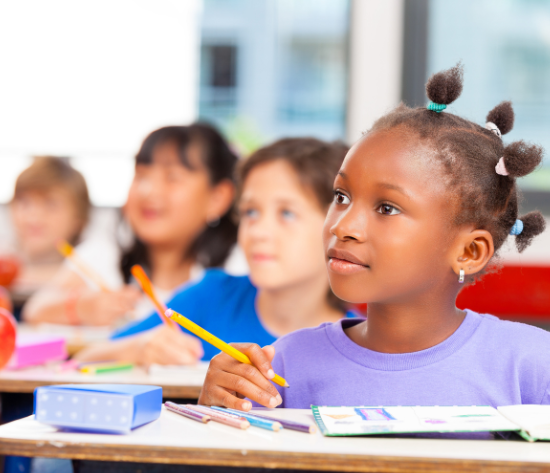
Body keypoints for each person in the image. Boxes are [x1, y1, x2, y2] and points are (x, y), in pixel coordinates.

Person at [198, 64, 549, 412]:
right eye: (341, 197)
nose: (342, 225)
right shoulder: (282, 365)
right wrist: (215, 415)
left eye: (386, 208)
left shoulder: (531, 366)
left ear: (470, 251)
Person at [75, 138, 354, 367]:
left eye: (287, 213)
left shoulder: (362, 336)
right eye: (251, 212)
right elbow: (84, 361)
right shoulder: (211, 296)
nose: (257, 231)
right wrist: (139, 349)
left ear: (337, 226)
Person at [23, 124, 238, 347]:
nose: (148, 191)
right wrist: (82, 307)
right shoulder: (108, 252)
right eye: (141, 176)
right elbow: (35, 310)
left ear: (218, 197)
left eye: (172, 177)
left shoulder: (237, 268)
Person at [2, 157, 90, 310]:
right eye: (24, 202)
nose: (33, 215)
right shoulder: (6, 251)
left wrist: (16, 276)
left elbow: (80, 278)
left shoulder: (89, 261)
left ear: (78, 219)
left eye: (50, 204)